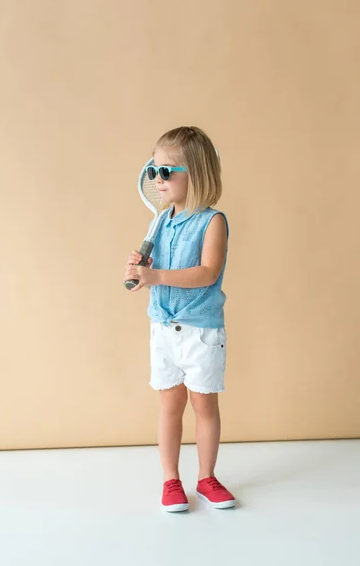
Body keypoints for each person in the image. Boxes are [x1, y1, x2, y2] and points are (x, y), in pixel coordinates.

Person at [124, 126, 235, 512]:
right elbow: (161, 270)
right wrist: (144, 270)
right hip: (163, 329)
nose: (158, 180)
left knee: (204, 407)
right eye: (153, 171)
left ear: (198, 173)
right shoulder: (160, 222)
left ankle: (207, 478)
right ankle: (172, 481)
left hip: (201, 332)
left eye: (167, 171)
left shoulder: (212, 222)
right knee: (169, 406)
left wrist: (156, 277)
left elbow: (206, 272)